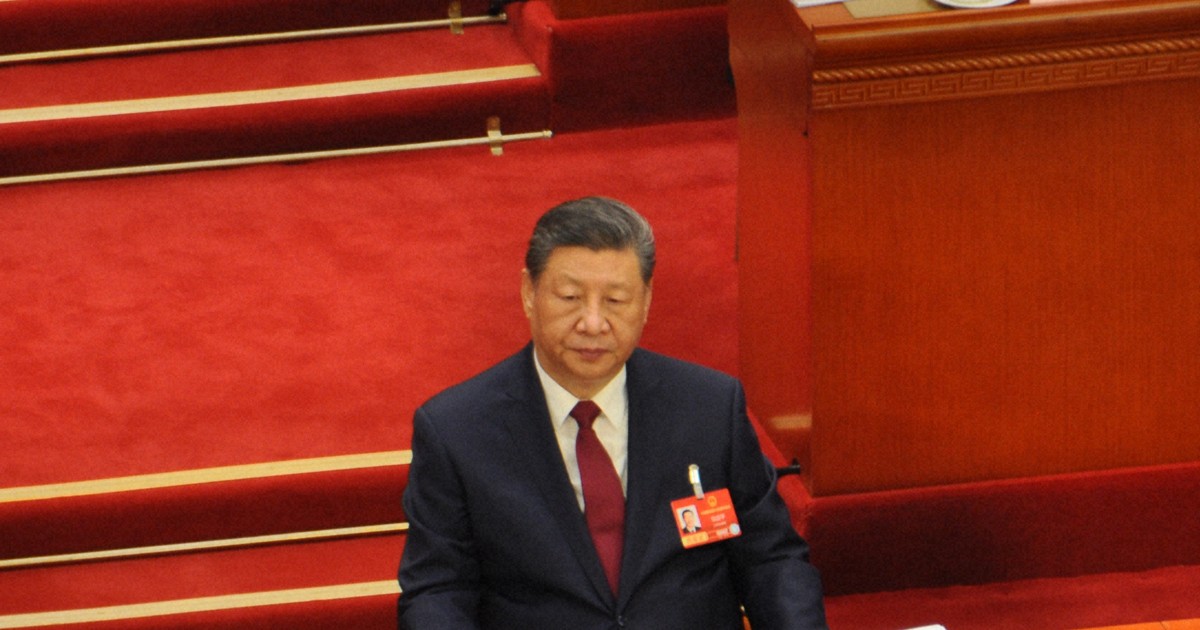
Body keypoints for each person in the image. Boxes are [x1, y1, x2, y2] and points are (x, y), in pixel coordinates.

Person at [397, 196, 827, 629]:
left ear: (646, 300)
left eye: (616, 300)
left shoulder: (710, 407)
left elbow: (771, 560)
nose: (593, 323)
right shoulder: (457, 431)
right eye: (570, 297)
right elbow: (438, 591)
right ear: (529, 292)